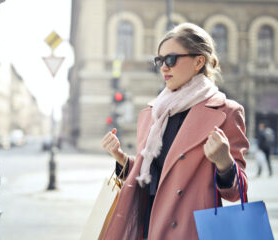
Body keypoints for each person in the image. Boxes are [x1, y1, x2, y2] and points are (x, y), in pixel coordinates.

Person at [101, 23, 249, 240]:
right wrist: (122, 160)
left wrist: (225, 162)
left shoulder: (226, 112)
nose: (163, 67)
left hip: (189, 230)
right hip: (148, 225)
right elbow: (155, 177)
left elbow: (237, 193)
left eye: (170, 59)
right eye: (159, 61)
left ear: (199, 61)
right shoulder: (154, 112)